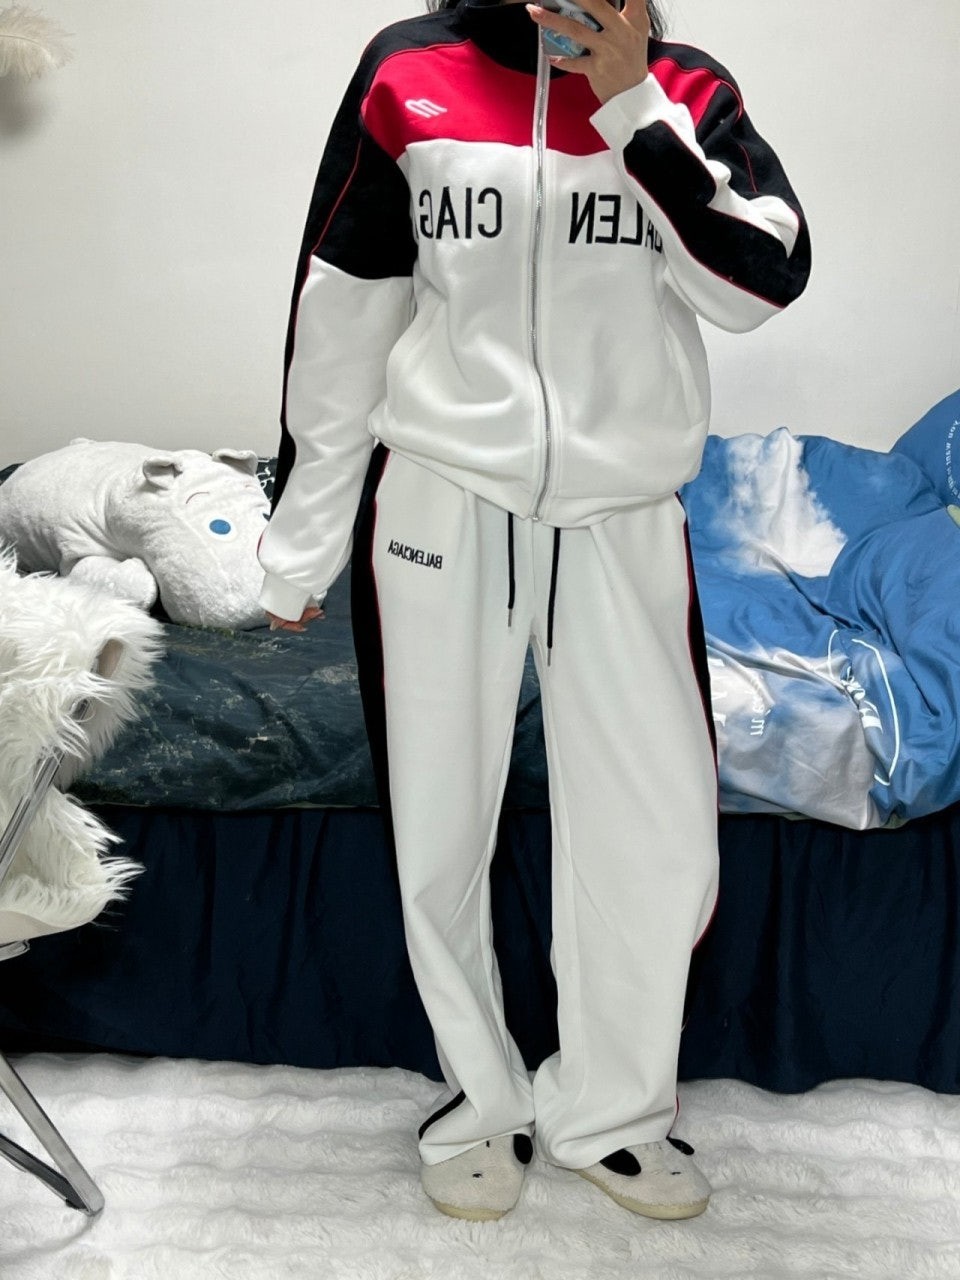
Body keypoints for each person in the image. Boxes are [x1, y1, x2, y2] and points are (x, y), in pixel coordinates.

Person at [258, 0, 810, 1224]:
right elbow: (345, 306)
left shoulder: (688, 89)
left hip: (622, 509)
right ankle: (479, 1100)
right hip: (441, 496)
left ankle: (613, 1111)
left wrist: (634, 105)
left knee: (659, 833)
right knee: (439, 822)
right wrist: (301, 541)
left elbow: (758, 282)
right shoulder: (409, 71)